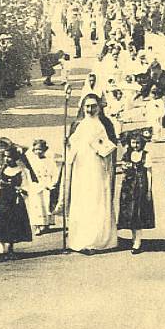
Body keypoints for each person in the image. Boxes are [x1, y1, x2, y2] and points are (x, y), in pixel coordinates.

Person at [61, 93, 118, 254]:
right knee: (83, 201)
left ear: (99, 107)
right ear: (82, 107)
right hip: (81, 169)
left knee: (97, 200)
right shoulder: (78, 125)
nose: (90, 109)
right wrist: (67, 144)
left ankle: (98, 240)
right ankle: (82, 239)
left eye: (93, 105)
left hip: (99, 168)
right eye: (87, 106)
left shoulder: (105, 124)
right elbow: (72, 147)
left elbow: (111, 146)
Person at [0, 147, 33, 261]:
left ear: (15, 158)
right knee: (0, 222)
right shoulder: (1, 169)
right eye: (5, 157)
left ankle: (11, 249)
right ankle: (1, 250)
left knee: (14, 224)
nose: (7, 159)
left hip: (15, 201)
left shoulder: (21, 170)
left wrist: (17, 189)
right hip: (3, 200)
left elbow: (26, 186)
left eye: (10, 157)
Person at [118, 133, 155, 255]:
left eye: (138, 142)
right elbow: (123, 172)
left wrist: (149, 189)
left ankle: (138, 241)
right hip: (128, 188)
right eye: (133, 142)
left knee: (138, 214)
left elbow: (149, 173)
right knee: (130, 214)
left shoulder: (146, 155)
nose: (135, 145)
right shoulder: (127, 154)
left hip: (140, 187)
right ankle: (134, 238)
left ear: (142, 143)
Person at [25, 140, 58, 236]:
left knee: (46, 204)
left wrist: (52, 184)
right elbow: (26, 155)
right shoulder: (32, 161)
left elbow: (55, 173)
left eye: (40, 149)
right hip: (36, 185)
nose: (38, 152)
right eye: (36, 149)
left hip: (47, 185)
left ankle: (46, 224)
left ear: (45, 150)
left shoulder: (49, 161)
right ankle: (38, 226)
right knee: (37, 206)